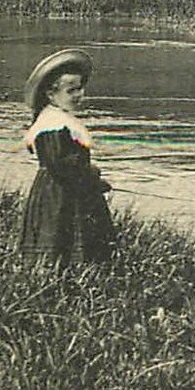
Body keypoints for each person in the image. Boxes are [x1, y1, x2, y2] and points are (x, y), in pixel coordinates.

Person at [20, 48, 117, 264]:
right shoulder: (52, 124)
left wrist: (92, 179)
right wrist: (92, 176)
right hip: (59, 191)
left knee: (74, 236)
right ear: (51, 94)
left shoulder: (59, 118)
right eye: (71, 91)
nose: (79, 95)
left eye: (80, 89)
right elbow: (60, 165)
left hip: (67, 187)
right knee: (60, 238)